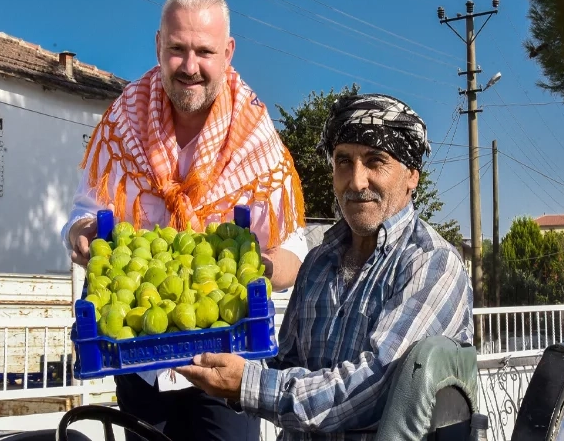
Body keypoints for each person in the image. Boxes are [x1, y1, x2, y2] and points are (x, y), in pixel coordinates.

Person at [60, 0, 308, 441]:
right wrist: (82, 232)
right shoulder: (122, 122)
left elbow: (293, 247)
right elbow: (81, 212)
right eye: (177, 49)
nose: (190, 67)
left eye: (204, 51)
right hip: (139, 361)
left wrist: (259, 266)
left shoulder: (255, 136)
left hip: (227, 364)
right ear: (157, 45)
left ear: (228, 52)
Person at [177, 93, 474, 440]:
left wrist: (248, 385)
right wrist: (208, 354)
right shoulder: (318, 263)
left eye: (375, 161)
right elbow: (282, 363)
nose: (357, 181)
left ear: (411, 177)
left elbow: (373, 386)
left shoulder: (431, 265)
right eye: (344, 161)